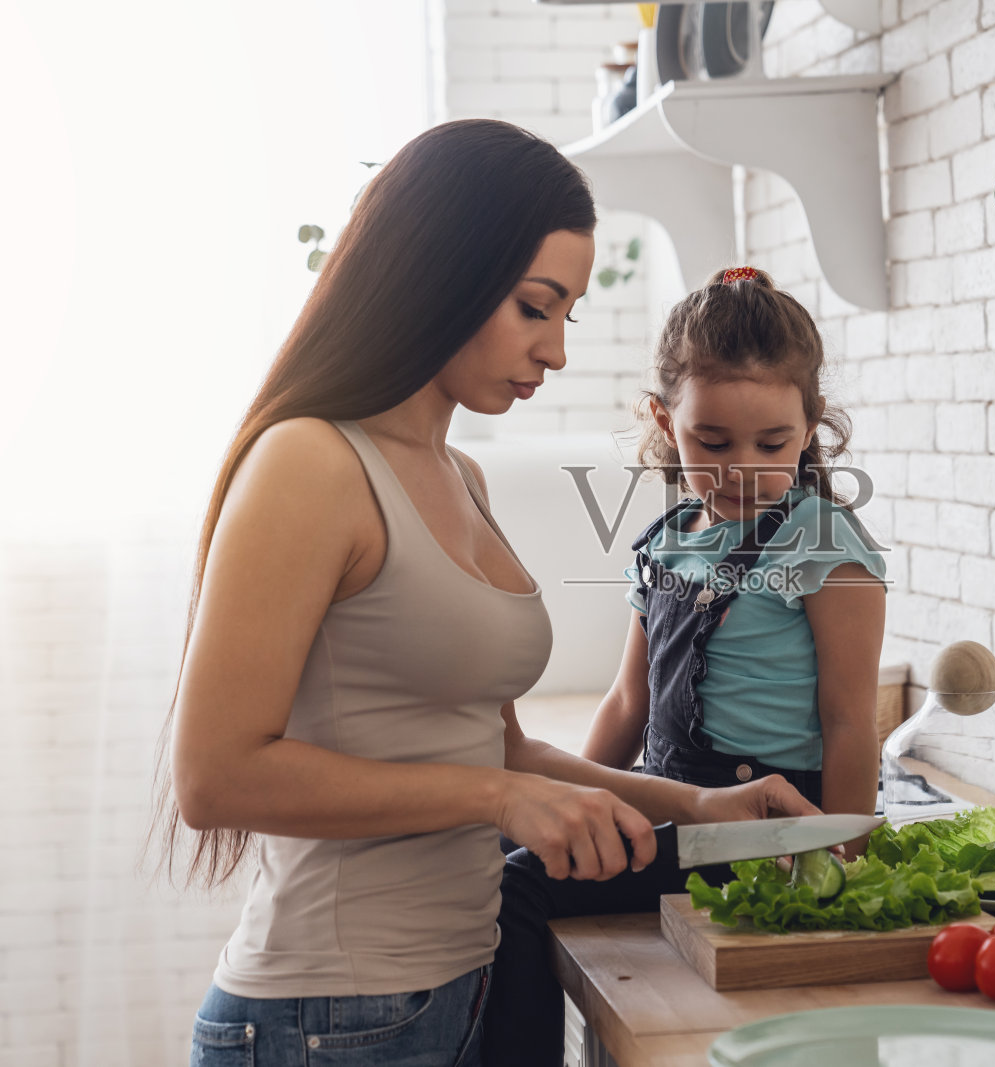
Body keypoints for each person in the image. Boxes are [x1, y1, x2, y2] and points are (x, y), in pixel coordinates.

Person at [152, 120, 818, 1067]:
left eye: (565, 316)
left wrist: (697, 806)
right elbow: (215, 777)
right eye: (533, 307)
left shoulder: (460, 475)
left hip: (458, 989)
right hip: (327, 1019)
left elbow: (499, 748)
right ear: (443, 270)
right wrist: (502, 798)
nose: (554, 351)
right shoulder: (310, 462)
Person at [483, 266, 888, 1067]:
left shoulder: (823, 540)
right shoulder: (666, 541)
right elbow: (626, 702)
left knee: (518, 887)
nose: (742, 467)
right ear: (666, 422)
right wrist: (568, 800)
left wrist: (841, 866)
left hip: (762, 830)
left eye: (772, 444)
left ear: (811, 424)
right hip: (676, 805)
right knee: (494, 848)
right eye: (713, 442)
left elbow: (850, 722)